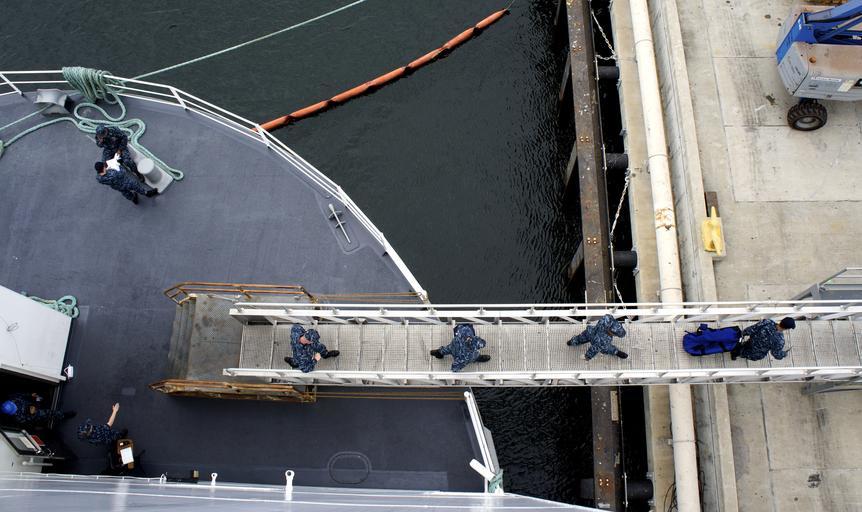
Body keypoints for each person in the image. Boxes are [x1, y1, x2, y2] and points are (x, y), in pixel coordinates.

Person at [731, 317, 795, 361]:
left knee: (744, 346)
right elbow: (776, 354)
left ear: (781, 321)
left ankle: (736, 350)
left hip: (751, 341)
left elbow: (752, 329)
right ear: (787, 328)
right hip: (757, 351)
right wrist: (784, 354)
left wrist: (743, 334)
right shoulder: (780, 341)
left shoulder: (767, 322)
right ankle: (738, 353)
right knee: (751, 354)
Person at [1, 393, 75, 428]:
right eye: (15, 408)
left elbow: (22, 396)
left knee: (41, 399)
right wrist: (32, 413)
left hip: (32, 403)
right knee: (47, 414)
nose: (17, 407)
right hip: (35, 413)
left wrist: (31, 395)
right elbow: (29, 420)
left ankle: (49, 403)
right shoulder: (18, 417)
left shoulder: (14, 400)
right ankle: (64, 415)